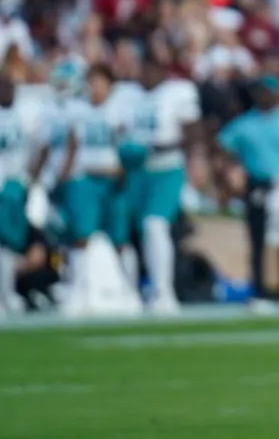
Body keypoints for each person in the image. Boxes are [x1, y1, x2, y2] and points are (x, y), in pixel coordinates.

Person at [218, 76, 279, 303]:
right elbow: (222, 147)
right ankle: (260, 291)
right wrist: (231, 174)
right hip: (258, 184)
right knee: (258, 239)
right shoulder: (245, 123)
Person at [124, 56, 201, 313]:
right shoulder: (127, 94)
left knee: (155, 226)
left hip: (167, 168)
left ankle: (163, 292)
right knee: (130, 232)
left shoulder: (177, 92)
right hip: (135, 171)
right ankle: (130, 293)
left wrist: (165, 148)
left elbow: (192, 133)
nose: (145, 74)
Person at [60, 64, 138, 316]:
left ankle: (129, 290)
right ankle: (79, 291)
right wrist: (66, 174)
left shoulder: (119, 110)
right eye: (91, 82)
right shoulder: (78, 109)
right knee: (82, 236)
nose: (95, 88)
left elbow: (128, 146)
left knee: (118, 239)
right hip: (85, 178)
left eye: (100, 82)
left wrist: (124, 172)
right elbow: (73, 144)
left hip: (112, 178)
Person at [0, 77, 35, 314]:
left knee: (11, 244)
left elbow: (36, 148)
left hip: (16, 185)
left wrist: (29, 179)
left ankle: (8, 293)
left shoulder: (25, 115)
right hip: (2, 185)